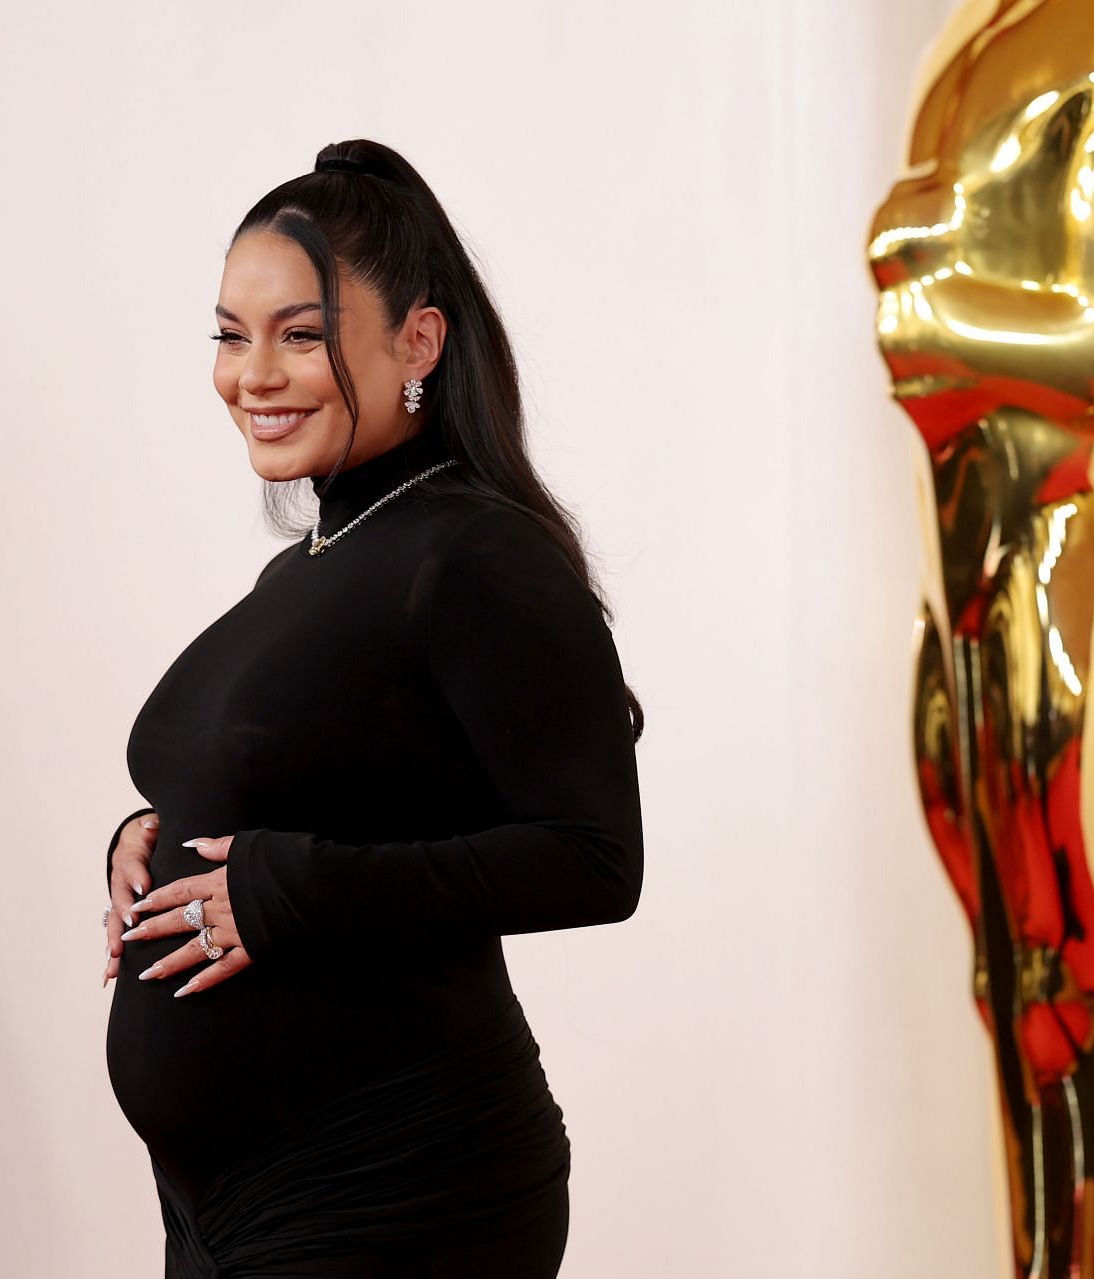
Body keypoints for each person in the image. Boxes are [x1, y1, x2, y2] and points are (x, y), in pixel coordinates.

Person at [98, 138, 646, 1277]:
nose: (252, 374)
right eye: (230, 334)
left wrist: (287, 887)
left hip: (399, 1190)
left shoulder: (477, 555)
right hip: (226, 1208)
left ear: (420, 341)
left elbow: (595, 858)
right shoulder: (311, 562)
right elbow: (322, 788)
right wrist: (143, 841)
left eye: (299, 334)